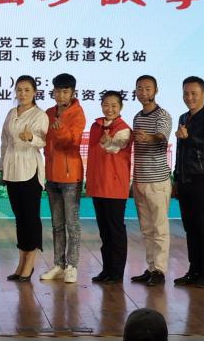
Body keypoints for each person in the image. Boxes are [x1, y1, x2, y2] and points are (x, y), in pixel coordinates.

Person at [0, 75, 48, 282]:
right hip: (11, 169)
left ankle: (30, 262)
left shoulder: (40, 115)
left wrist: (31, 138)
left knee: (31, 218)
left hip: (29, 170)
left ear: (35, 92)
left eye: (27, 90)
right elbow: (4, 140)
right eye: (19, 90)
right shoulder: (11, 113)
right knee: (19, 218)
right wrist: (2, 167)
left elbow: (44, 141)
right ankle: (21, 262)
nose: (22, 94)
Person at [173, 76, 204, 289]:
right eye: (186, 93)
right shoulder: (183, 117)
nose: (189, 97)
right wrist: (176, 178)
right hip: (185, 179)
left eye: (194, 93)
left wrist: (188, 137)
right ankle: (193, 270)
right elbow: (180, 152)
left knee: (203, 228)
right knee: (190, 228)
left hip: (202, 179)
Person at [40, 73, 86, 284]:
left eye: (65, 91)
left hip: (70, 176)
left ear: (73, 93)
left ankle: (72, 266)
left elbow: (73, 142)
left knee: (71, 224)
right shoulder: (48, 113)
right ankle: (58, 265)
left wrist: (60, 131)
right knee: (57, 225)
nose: (60, 95)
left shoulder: (78, 113)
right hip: (51, 175)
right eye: (57, 91)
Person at [130, 75, 173, 287]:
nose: (143, 92)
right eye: (140, 88)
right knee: (147, 229)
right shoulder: (137, 117)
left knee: (159, 228)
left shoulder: (162, 115)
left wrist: (150, 137)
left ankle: (160, 270)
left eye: (148, 88)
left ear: (156, 91)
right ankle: (151, 268)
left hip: (157, 181)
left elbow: (162, 136)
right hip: (140, 180)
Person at [87, 91, 132, 284]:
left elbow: (117, 146)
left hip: (114, 186)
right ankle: (106, 270)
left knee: (115, 230)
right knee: (104, 231)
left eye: (114, 105)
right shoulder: (96, 126)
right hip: (98, 184)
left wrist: (108, 143)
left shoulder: (123, 129)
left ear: (120, 107)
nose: (110, 109)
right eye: (106, 104)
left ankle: (117, 272)